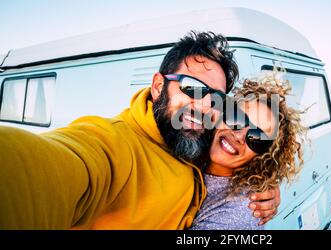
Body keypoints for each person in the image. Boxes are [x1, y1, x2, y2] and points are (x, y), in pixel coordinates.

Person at [0, 31, 279, 229]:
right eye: (192, 88)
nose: (205, 106)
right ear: (158, 86)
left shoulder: (195, 140)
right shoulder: (113, 146)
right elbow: (39, 169)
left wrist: (269, 182)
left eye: (216, 99)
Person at [191, 73, 307, 229]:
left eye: (257, 137)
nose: (239, 136)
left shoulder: (237, 216)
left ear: (263, 156)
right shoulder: (187, 146)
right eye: (237, 118)